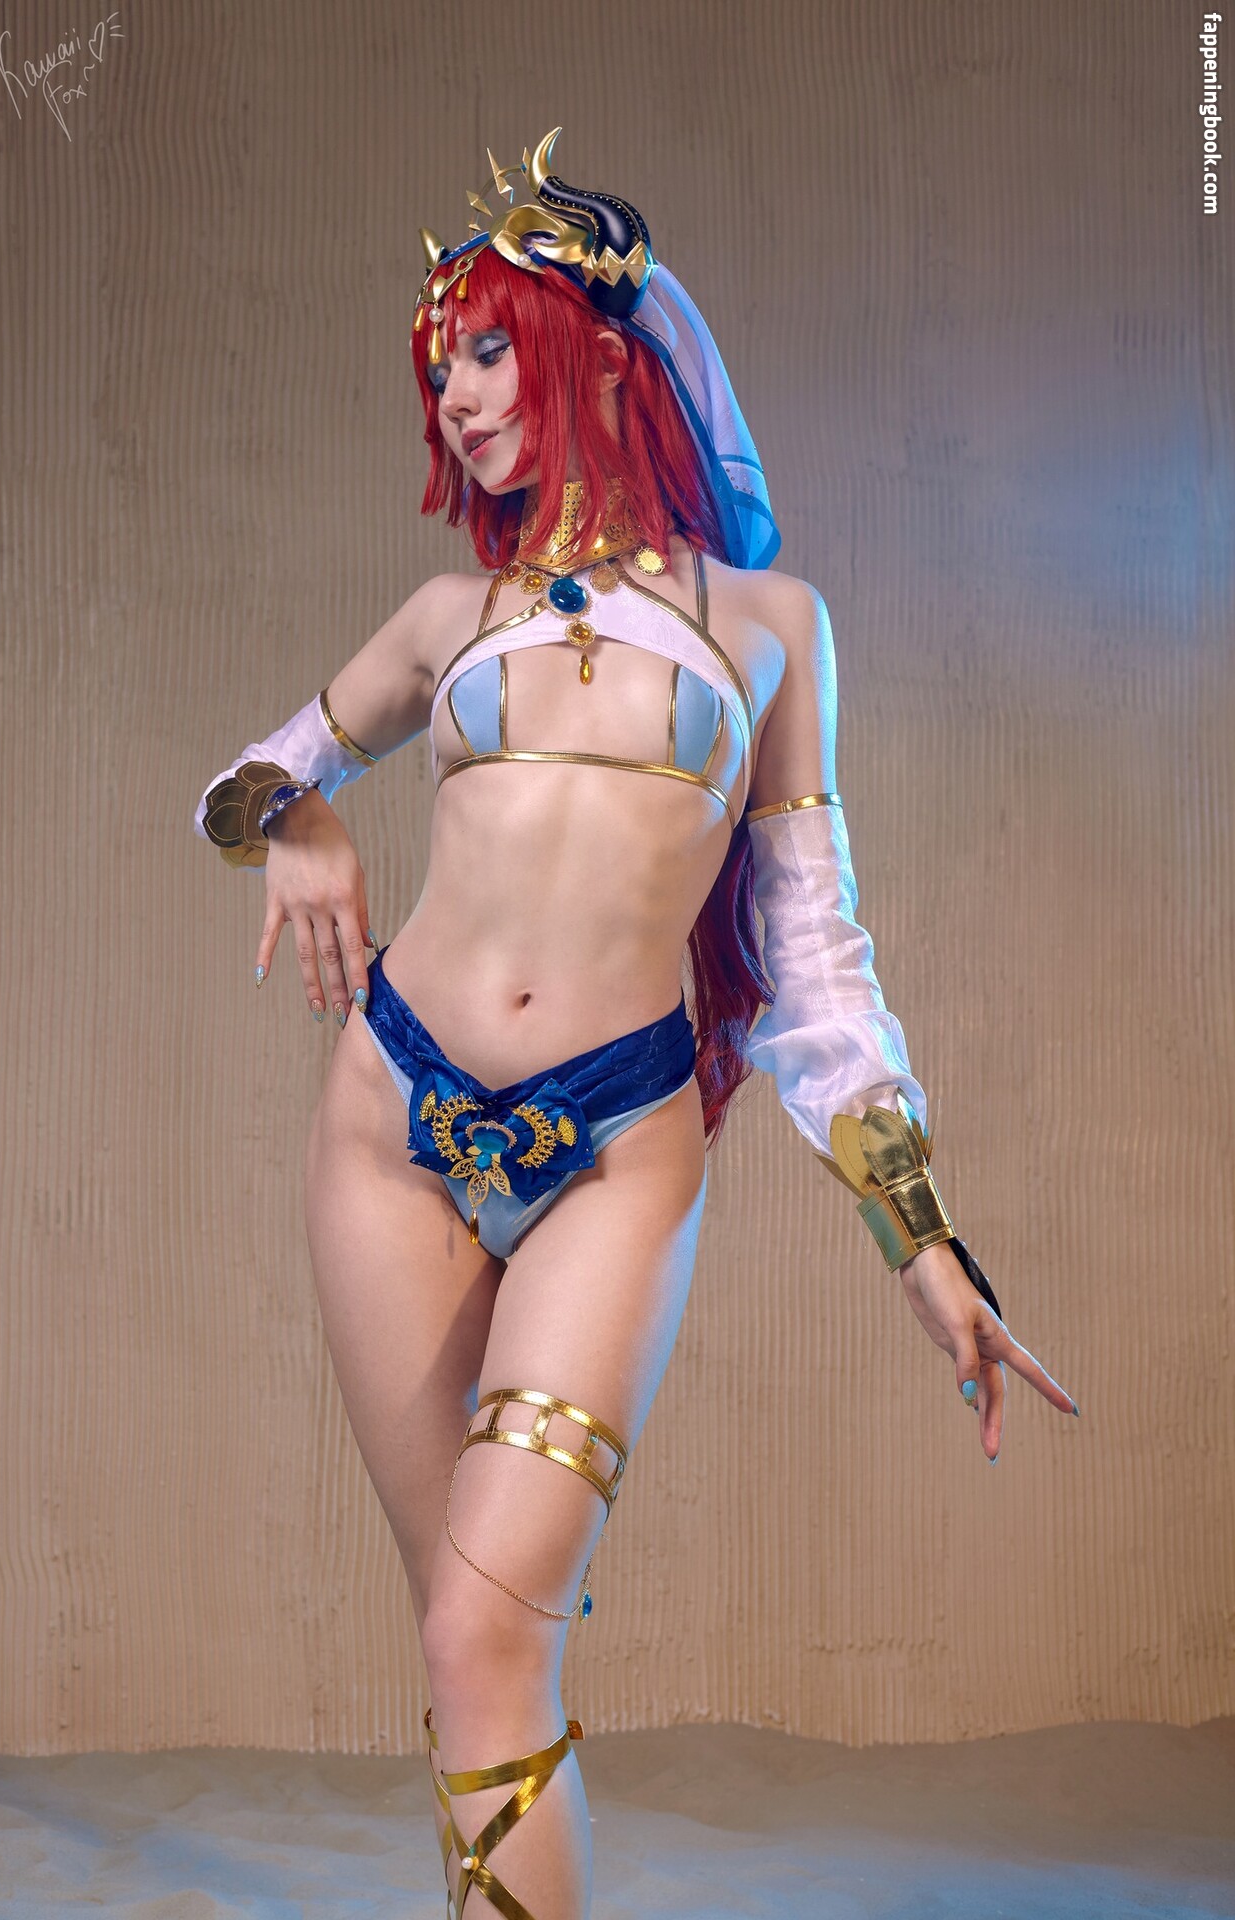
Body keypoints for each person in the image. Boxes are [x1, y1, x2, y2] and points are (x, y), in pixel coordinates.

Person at [195, 128, 1079, 1920]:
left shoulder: (769, 627)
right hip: (390, 1126)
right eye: (438, 369)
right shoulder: (448, 618)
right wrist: (296, 823)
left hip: (617, 1144)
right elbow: (245, 778)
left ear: (600, 353)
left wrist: (922, 1240)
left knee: (489, 1629)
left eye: (487, 348)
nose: (456, 396)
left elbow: (813, 954)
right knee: (466, 1645)